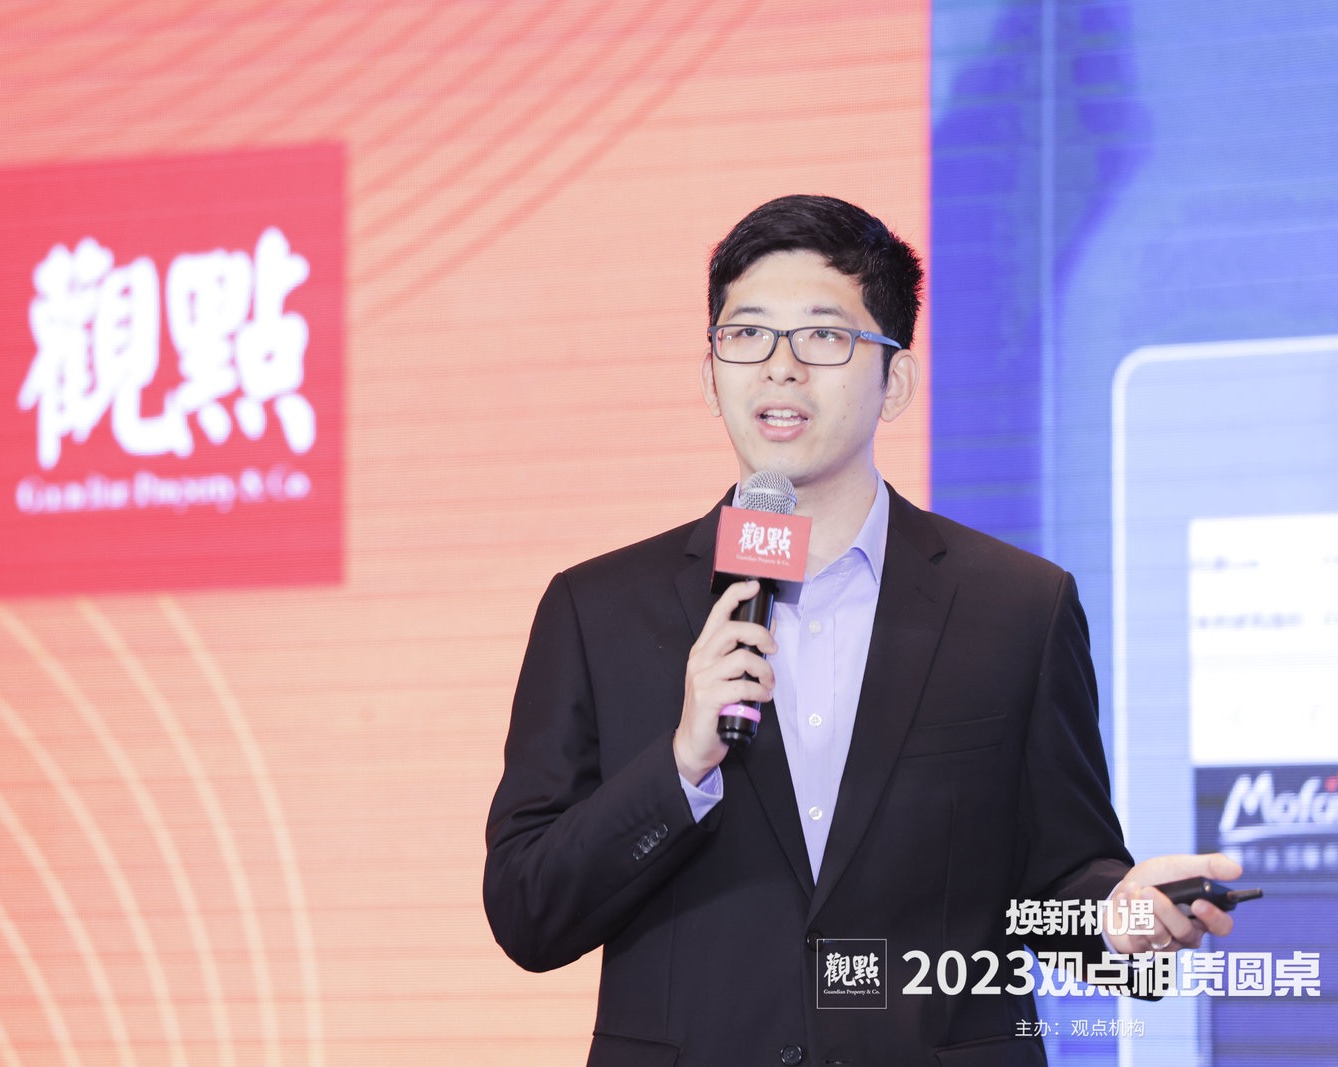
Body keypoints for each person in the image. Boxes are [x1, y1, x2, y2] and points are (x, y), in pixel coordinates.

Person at [483, 195, 1241, 1067]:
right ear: (710, 375)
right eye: (747, 335)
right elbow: (527, 909)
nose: (780, 368)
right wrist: (682, 766)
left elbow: (1063, 875)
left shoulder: (1017, 607)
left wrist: (1117, 919)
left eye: (823, 337)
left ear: (897, 382)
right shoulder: (597, 609)